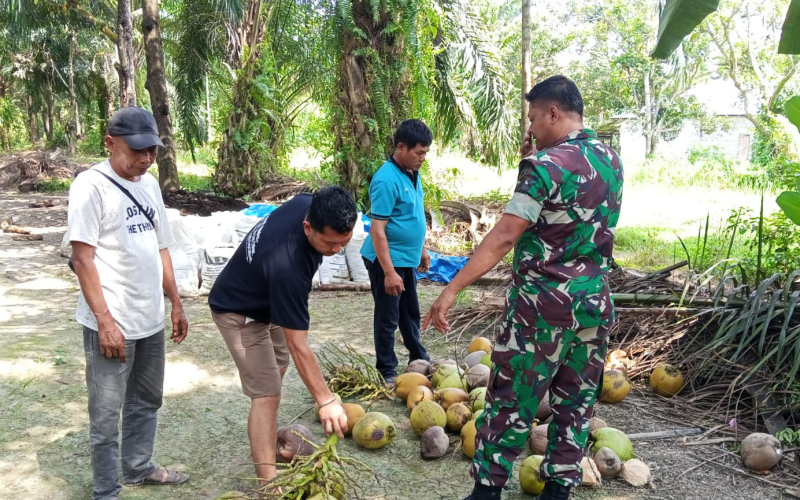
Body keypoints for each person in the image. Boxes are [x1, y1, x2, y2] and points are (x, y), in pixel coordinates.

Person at [425, 75, 624, 500]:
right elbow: (571, 211)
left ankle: (487, 491)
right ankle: (558, 490)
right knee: (576, 403)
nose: (530, 128)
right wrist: (531, 163)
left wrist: (451, 288)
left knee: (512, 399)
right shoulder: (611, 159)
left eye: (534, 118)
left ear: (553, 112)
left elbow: (503, 236)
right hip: (593, 304)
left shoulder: (545, 167)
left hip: (543, 311)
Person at [67, 106, 190, 500]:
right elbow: (82, 258)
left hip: (150, 317)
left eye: (152, 150)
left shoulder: (149, 185)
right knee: (105, 418)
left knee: (147, 400)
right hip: (112, 321)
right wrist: (105, 321)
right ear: (110, 143)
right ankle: (107, 491)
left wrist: (175, 302)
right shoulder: (90, 186)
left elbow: (161, 247)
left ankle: (138, 467)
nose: (146, 158)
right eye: (137, 150)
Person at [208, 187, 357, 483]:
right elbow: (299, 345)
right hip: (239, 311)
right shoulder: (289, 267)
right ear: (307, 227)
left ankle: (266, 442)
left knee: (278, 369)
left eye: (344, 242)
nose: (336, 251)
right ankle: (268, 485)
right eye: (329, 243)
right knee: (267, 394)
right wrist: (326, 400)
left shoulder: (307, 203)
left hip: (268, 300)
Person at [360, 119, 433, 387]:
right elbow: (378, 231)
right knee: (388, 316)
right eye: (419, 153)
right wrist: (389, 272)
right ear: (401, 147)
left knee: (409, 311)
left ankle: (418, 357)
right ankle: (387, 369)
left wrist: (422, 248)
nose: (423, 158)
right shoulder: (385, 180)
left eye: (426, 153)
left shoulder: (413, 173)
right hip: (385, 260)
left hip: (406, 257)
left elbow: (413, 214)